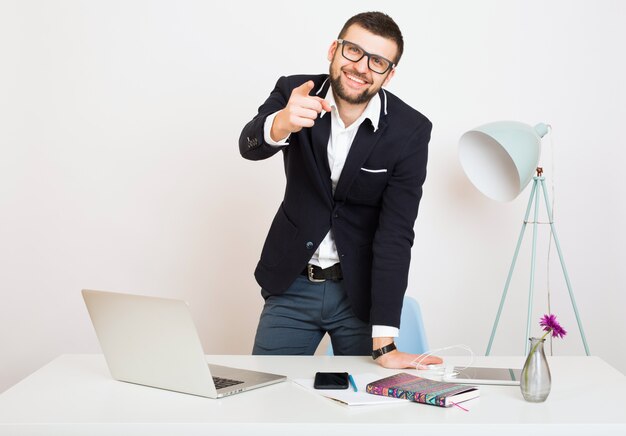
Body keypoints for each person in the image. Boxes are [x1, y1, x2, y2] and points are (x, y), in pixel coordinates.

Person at [239, 11, 442, 368]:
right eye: (353, 51)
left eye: (377, 61)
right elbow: (249, 145)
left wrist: (384, 344)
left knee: (368, 406)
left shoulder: (410, 130)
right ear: (334, 49)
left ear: (389, 74)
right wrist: (282, 122)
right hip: (292, 284)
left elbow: (396, 233)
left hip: (360, 293)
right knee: (265, 397)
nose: (362, 67)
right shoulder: (294, 91)